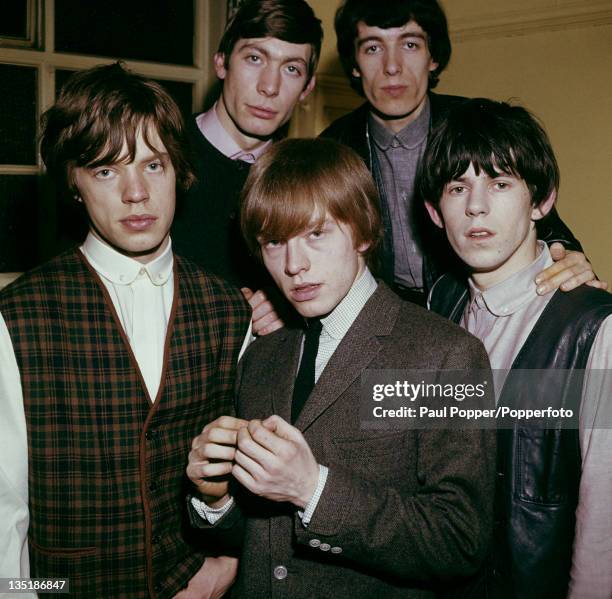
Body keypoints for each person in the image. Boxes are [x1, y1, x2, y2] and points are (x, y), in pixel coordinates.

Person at [185, 138, 496, 597]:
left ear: (364, 232)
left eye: (316, 234)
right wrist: (215, 498)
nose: (294, 265)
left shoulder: (448, 355)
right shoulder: (262, 356)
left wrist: (314, 489)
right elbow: (263, 541)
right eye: (274, 242)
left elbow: (459, 542)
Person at [0, 63, 251, 598]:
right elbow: (5, 510)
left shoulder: (229, 310)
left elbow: (242, 476)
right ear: (73, 181)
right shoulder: (18, 317)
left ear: (178, 170)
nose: (136, 193)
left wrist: (223, 562)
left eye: (152, 165)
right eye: (107, 171)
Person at [420, 98, 612, 598]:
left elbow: (604, 528)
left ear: (542, 201)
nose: (476, 207)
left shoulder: (593, 328)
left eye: (500, 184)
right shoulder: (438, 303)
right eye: (457, 187)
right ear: (434, 212)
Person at [321, 0, 604, 305]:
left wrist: (567, 257)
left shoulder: (475, 124)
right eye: (373, 48)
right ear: (354, 63)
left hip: (469, 305)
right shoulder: (332, 148)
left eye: (411, 45)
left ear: (433, 57)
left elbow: (543, 219)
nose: (392, 67)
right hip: (384, 320)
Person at [171, 0, 322, 292]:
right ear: (221, 62)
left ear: (307, 89)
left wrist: (288, 306)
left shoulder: (305, 181)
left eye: (291, 69)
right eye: (255, 59)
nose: (269, 86)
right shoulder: (159, 155)